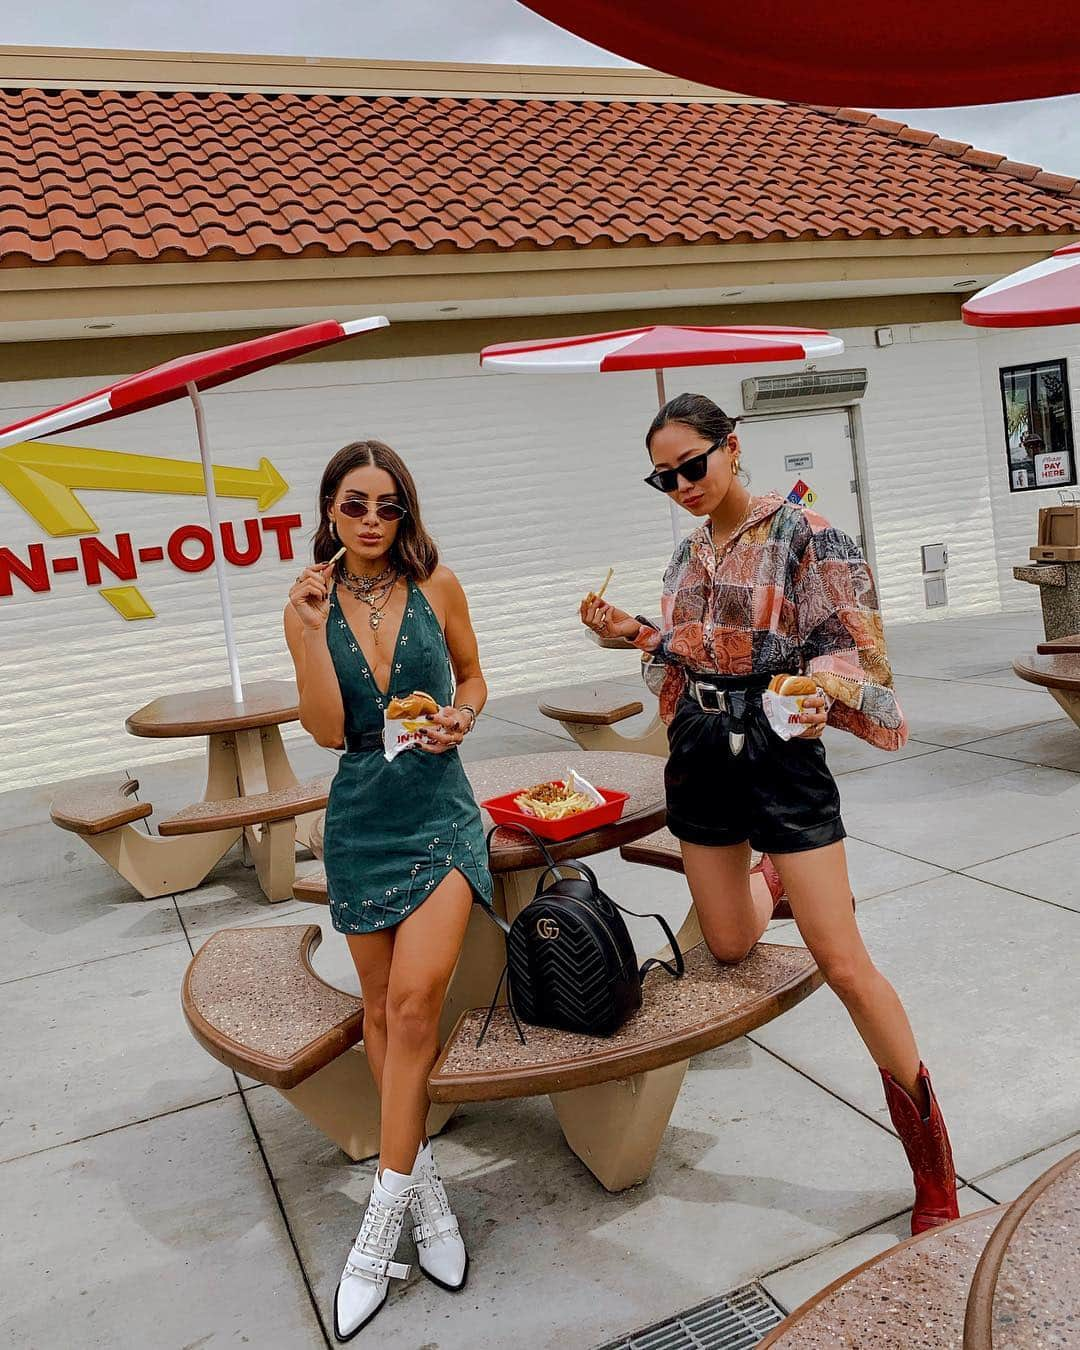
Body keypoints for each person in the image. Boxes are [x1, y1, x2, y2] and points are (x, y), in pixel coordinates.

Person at [580, 393, 958, 1235]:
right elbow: (683, 652)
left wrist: (820, 690)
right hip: (704, 749)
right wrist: (632, 634)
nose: (679, 483)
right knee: (726, 944)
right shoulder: (684, 558)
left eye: (692, 465)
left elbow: (849, 644)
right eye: (662, 475)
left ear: (732, 447)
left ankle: (932, 1161)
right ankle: (769, 874)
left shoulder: (807, 536)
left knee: (842, 960)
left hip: (783, 744)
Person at [285, 439, 492, 1341]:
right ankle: (431, 1202)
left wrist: (460, 714)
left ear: (405, 512)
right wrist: (302, 633)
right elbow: (331, 731)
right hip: (362, 815)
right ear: (330, 508)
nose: (372, 520)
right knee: (376, 1012)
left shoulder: (438, 584)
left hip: (442, 810)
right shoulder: (309, 601)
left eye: (388, 505)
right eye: (355, 504)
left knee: (412, 1009)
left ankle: (376, 1234)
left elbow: (475, 676)